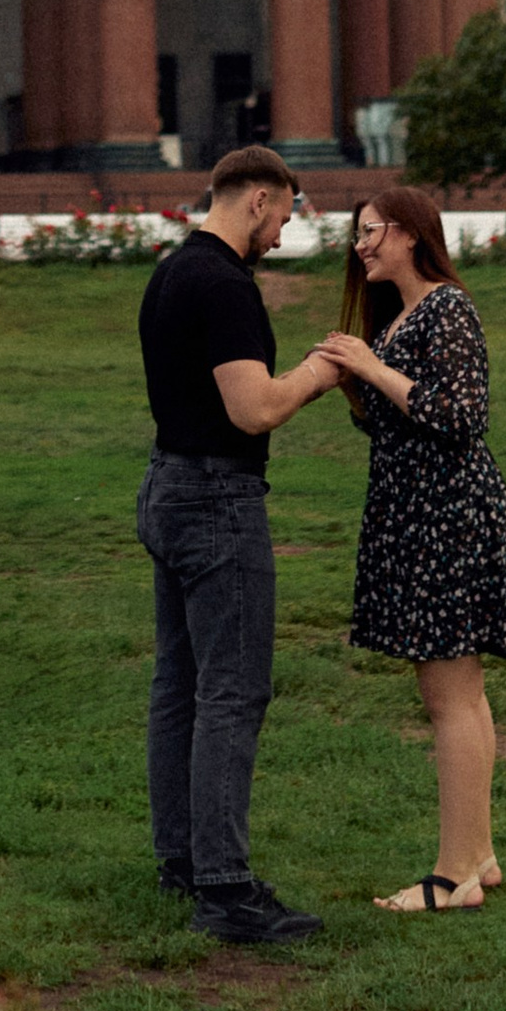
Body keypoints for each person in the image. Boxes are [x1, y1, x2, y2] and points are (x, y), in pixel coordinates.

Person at [136, 142, 342, 946]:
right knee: (232, 690)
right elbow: (253, 408)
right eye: (284, 216)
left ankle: (181, 861)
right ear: (256, 199)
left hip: (166, 485)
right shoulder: (225, 285)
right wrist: (321, 373)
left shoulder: (170, 271)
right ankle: (224, 887)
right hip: (217, 499)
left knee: (178, 686)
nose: (284, 236)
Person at [320, 185, 506, 914]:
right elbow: (400, 421)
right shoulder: (407, 316)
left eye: (370, 231)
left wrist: (373, 369)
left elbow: (461, 417)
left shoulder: (447, 307)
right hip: (419, 516)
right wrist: (354, 374)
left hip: (448, 519)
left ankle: (452, 876)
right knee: (459, 695)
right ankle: (480, 854)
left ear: (408, 233)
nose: (361, 245)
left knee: (449, 699)